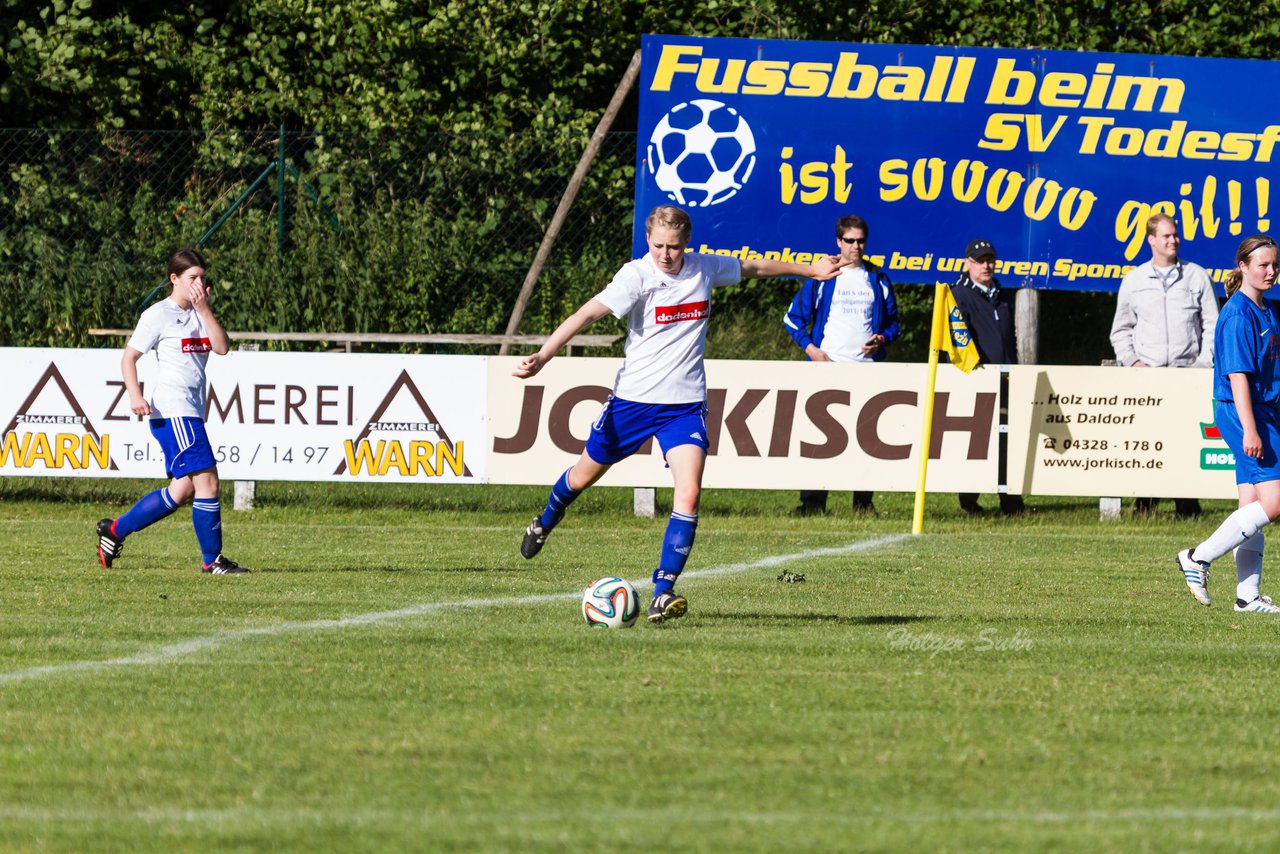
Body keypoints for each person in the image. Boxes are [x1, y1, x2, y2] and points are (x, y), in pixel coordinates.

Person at [514, 205, 846, 623]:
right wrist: (545, 355)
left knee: (688, 493)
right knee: (582, 476)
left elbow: (755, 266)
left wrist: (809, 270)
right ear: (648, 241)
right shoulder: (635, 276)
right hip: (633, 402)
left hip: (684, 406)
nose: (666, 255)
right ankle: (545, 520)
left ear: (686, 243)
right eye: (658, 246)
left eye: (673, 246)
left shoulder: (703, 269)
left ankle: (662, 592)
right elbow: (587, 313)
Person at [95, 248, 250, 574]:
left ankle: (114, 530)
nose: (199, 283)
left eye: (203, 278)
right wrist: (135, 395)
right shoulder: (157, 314)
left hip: (190, 411)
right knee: (208, 483)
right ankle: (213, 562)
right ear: (174, 279)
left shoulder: (200, 313)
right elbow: (129, 358)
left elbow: (222, 348)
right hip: (172, 410)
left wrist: (205, 310)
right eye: (192, 277)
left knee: (182, 490)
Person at [1176, 234, 1280, 612]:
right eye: (1262, 265)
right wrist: (1250, 428)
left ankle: (1247, 596)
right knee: (1274, 501)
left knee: (1251, 503)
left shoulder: (1266, 308)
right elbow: (1238, 377)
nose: (1270, 271)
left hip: (1261, 411)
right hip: (1244, 412)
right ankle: (1198, 557)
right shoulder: (1237, 313)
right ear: (1243, 267)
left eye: (1274, 264)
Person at [783, 214, 899, 516]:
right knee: (819, 438)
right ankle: (812, 503)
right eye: (850, 241)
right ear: (838, 241)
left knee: (868, 438)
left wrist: (882, 340)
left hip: (866, 370)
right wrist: (811, 349)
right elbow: (791, 318)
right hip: (827, 369)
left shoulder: (878, 278)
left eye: (861, 241)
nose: (856, 246)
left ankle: (862, 503)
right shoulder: (823, 276)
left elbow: (894, 324)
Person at [1110, 213, 1217, 517]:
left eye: (1176, 235)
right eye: (1167, 236)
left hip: (1188, 376)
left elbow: (1212, 324)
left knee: (1185, 441)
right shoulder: (1134, 280)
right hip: (1149, 378)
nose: (1173, 241)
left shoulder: (1196, 276)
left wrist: (1203, 363)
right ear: (1151, 240)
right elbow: (1121, 329)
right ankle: (1145, 504)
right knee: (1148, 442)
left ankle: (1188, 506)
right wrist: (1133, 361)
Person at [950, 238, 1024, 516]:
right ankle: (969, 500)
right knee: (978, 442)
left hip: (1006, 378)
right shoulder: (959, 294)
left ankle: (1012, 503)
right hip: (978, 379)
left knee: (1009, 443)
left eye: (990, 259)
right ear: (968, 262)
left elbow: (1010, 337)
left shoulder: (1001, 294)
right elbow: (957, 340)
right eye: (980, 260)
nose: (986, 265)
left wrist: (1015, 367)